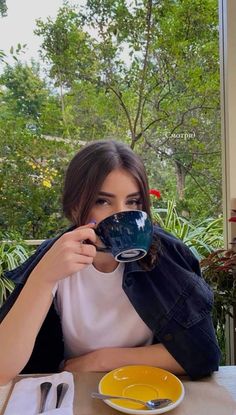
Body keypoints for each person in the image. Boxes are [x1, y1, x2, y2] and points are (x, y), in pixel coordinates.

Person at [0, 140, 221, 385]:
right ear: (74, 207)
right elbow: (2, 370)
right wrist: (43, 279)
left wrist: (101, 360)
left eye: (133, 202)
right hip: (75, 395)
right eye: (102, 201)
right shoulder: (55, 258)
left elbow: (203, 354)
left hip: (145, 392)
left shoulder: (165, 255)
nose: (121, 214)